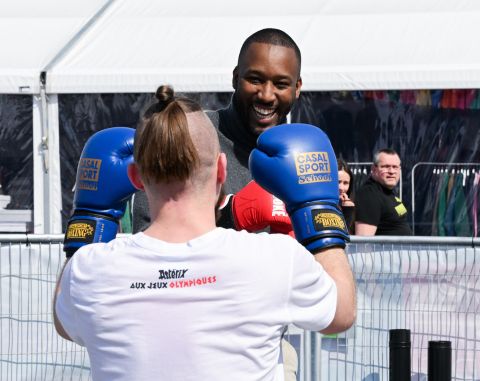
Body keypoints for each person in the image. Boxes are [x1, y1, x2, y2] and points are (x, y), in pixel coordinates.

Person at [54, 86, 356, 381]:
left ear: (135, 177)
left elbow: (63, 321)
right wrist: (317, 210)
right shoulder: (274, 259)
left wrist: (91, 217)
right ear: (221, 170)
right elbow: (342, 313)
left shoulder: (88, 268)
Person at [131, 28, 304, 378]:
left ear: (297, 88)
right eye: (255, 80)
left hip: (263, 351)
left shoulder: (299, 153)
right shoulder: (195, 135)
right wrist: (230, 216)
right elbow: (149, 241)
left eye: (280, 84)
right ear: (235, 78)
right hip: (182, 353)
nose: (267, 95)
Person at [355, 148, 412, 235]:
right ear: (374, 169)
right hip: (387, 249)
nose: (391, 171)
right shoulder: (369, 195)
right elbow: (364, 242)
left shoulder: (387, 191)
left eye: (395, 167)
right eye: (385, 167)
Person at [337, 159, 355, 234]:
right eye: (338, 182)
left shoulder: (349, 205)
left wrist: (348, 209)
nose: (341, 188)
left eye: (345, 183)